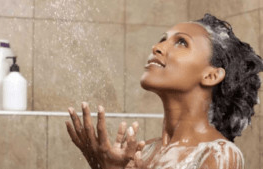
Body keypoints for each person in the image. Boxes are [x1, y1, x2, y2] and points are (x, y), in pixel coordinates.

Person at [65, 13, 263, 169]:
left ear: (211, 75)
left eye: (181, 42)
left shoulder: (219, 154)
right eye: (163, 39)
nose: (157, 47)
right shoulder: (144, 152)